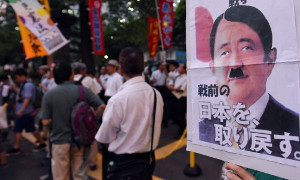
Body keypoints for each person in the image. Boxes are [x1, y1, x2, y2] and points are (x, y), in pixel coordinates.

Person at [199, 5, 299, 159]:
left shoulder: (294, 129)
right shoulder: (205, 127)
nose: (235, 64)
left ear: (270, 59)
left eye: (246, 48)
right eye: (224, 52)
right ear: (212, 67)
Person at [95, 47, 164, 179]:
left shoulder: (117, 99)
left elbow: (104, 137)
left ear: (120, 69)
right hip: (147, 162)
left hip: (123, 165)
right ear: (143, 66)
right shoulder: (156, 94)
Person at [41, 61, 105, 180]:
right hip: (80, 139)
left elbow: (45, 122)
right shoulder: (82, 90)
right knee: (80, 175)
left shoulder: (49, 95)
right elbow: (102, 106)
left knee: (60, 176)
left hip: (59, 141)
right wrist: (93, 119)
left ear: (54, 76)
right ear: (71, 75)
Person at [6, 68, 46, 155]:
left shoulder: (27, 85)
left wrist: (21, 111)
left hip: (25, 112)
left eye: (17, 77)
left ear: (22, 76)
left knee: (29, 129)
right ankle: (17, 147)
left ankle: (41, 143)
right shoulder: (25, 84)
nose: (17, 79)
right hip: (24, 112)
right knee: (20, 129)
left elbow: (27, 99)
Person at [167, 63, 187, 138]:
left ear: (184, 69)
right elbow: (175, 86)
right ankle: (182, 129)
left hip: (182, 99)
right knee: (172, 114)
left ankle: (182, 132)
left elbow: (181, 89)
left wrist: (172, 88)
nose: (178, 68)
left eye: (180, 67)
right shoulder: (178, 77)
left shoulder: (186, 78)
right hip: (175, 97)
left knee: (181, 116)